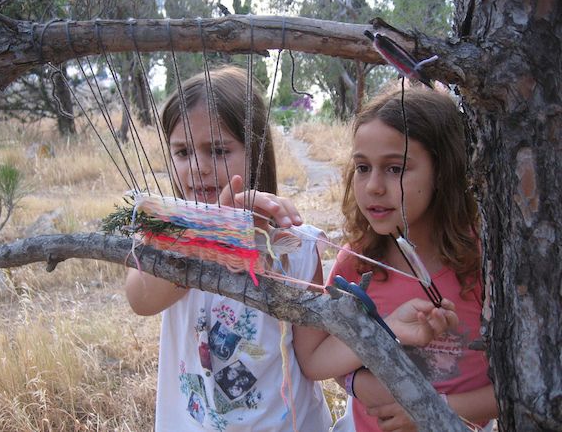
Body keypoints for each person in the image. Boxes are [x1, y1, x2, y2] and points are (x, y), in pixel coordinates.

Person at [125, 67, 458, 431]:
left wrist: (388, 328)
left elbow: (311, 359)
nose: (198, 167)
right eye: (182, 152)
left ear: (256, 152)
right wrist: (213, 233)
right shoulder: (162, 233)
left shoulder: (293, 245)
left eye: (217, 150)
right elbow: (141, 299)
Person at [295, 84, 498, 431]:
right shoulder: (357, 264)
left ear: (443, 172)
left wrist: (433, 409)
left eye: (395, 168)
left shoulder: (488, 266)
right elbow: (315, 360)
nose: (373, 185)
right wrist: (377, 343)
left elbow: (527, 386)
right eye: (362, 168)